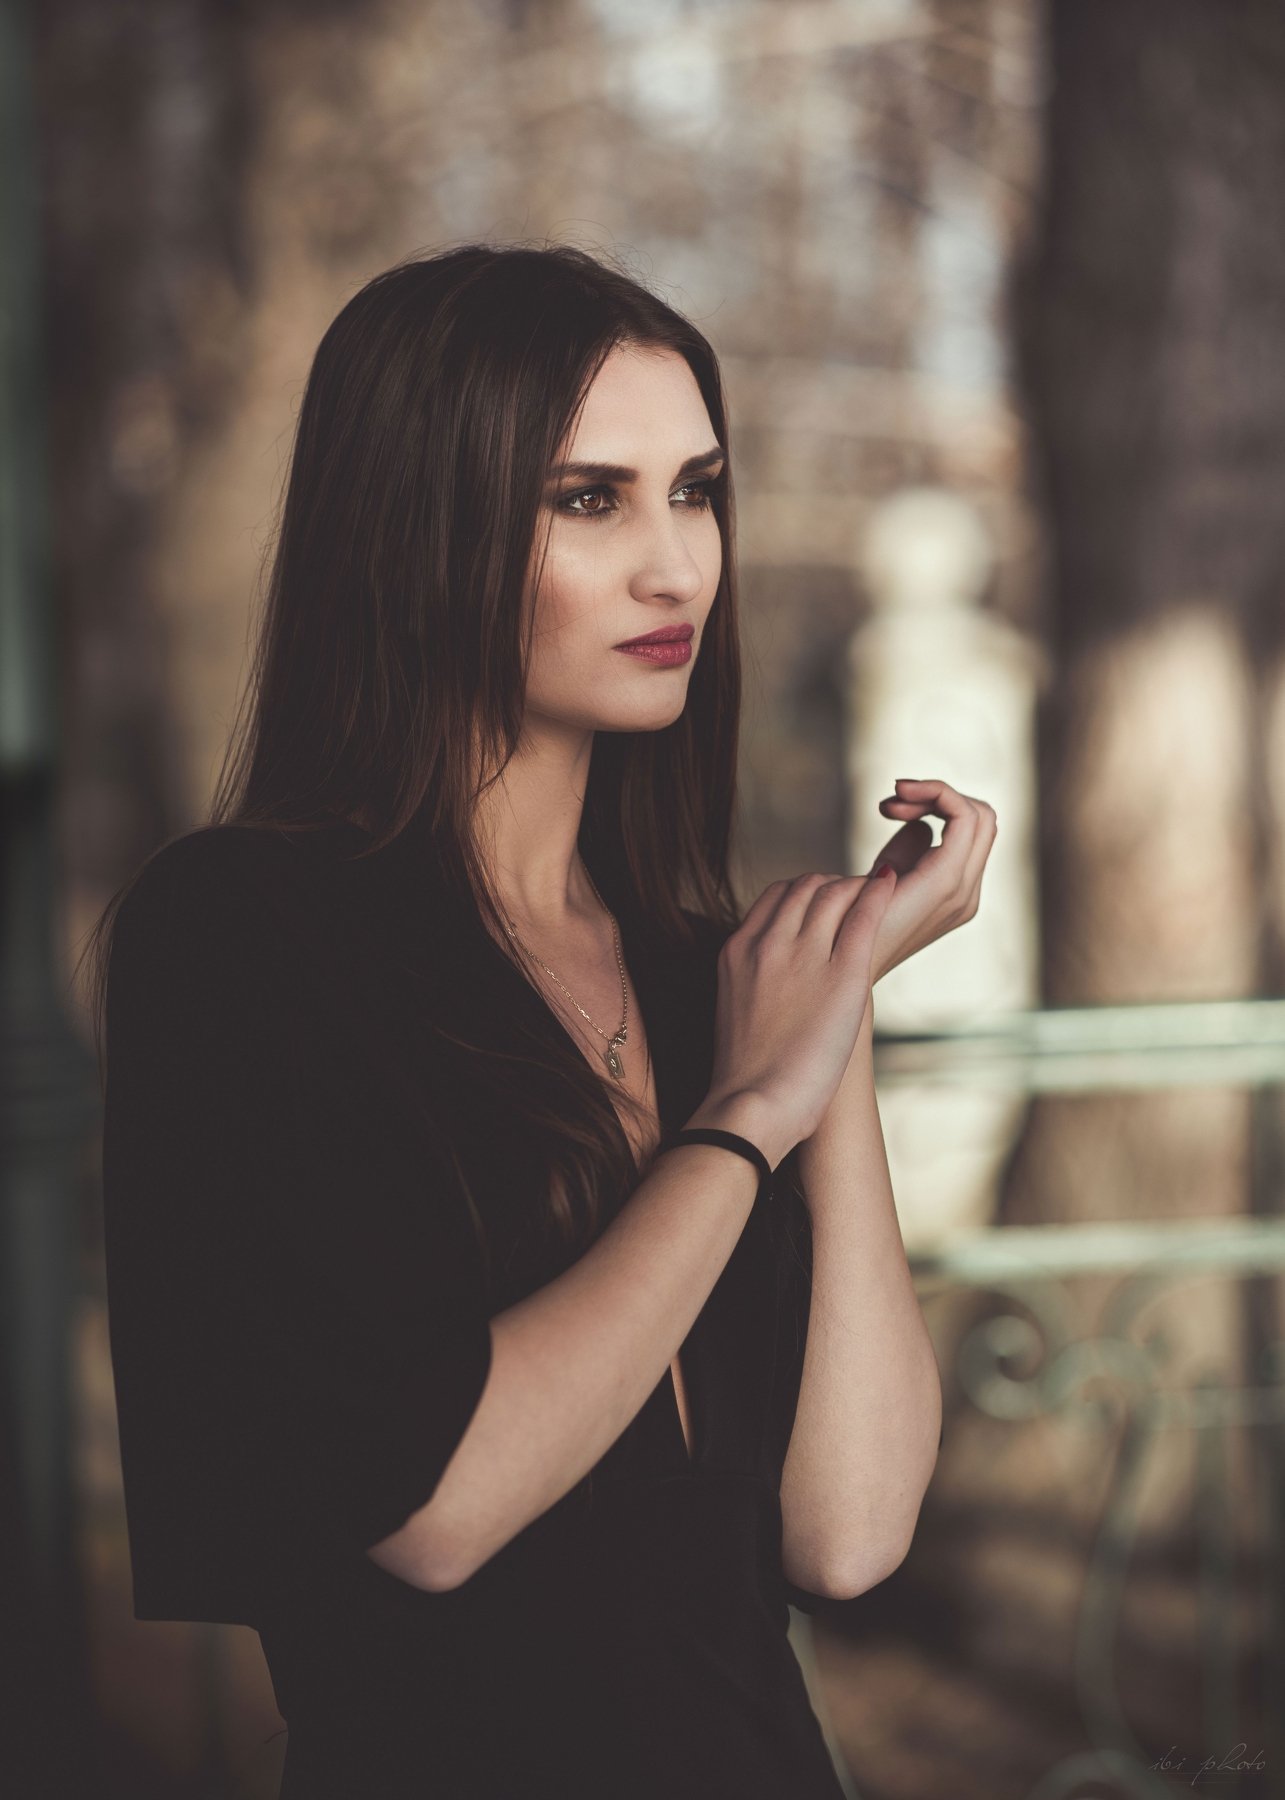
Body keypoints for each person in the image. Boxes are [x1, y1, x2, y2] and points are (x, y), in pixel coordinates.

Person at [86, 243, 988, 1797]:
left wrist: (824, 1009)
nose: (676, 568)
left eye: (695, 492)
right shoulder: (241, 935)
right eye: (590, 500)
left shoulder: (699, 967)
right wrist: (746, 1118)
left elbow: (845, 1535)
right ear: (417, 531)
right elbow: (430, 1509)